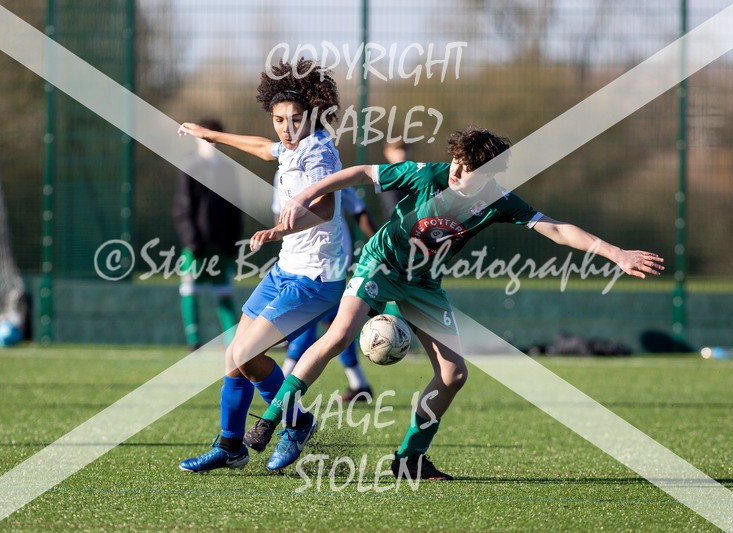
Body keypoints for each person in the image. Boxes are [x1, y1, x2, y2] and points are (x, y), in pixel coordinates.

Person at [246, 125, 665, 478]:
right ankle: (270, 421)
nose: (458, 173)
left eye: (469, 170)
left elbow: (556, 229)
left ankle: (410, 459)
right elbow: (358, 173)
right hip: (380, 264)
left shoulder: (496, 200)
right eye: (458, 164)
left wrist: (616, 253)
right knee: (338, 336)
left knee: (453, 375)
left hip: (423, 285)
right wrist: (302, 197)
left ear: (487, 175)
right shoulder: (425, 173)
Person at [175, 58, 346, 473]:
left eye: (295, 120)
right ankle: (231, 445)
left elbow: (325, 208)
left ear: (312, 117)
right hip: (286, 270)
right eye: (278, 119)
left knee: (249, 354)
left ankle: (297, 423)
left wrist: (281, 230)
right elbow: (260, 146)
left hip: (315, 277)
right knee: (234, 356)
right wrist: (210, 134)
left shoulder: (318, 152)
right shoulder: (288, 147)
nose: (286, 129)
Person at [276, 184, 377, 402]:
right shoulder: (283, 170)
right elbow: (280, 216)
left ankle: (282, 384)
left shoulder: (332, 172)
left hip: (329, 260)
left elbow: (360, 212)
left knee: (309, 317)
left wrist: (383, 252)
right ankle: (359, 383)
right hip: (301, 260)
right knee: (336, 324)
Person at [172, 118, 243, 352]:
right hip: (196, 245)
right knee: (190, 290)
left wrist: (234, 241)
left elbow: (235, 209)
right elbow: (183, 207)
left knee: (224, 294)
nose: (210, 143)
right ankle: (194, 341)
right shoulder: (190, 167)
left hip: (221, 245)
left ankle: (233, 344)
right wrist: (191, 240)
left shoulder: (228, 169)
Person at [379, 138, 408, 218]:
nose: (402, 153)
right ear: (387, 153)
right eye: (396, 149)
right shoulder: (386, 177)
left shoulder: (416, 173)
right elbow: (393, 210)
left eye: (404, 149)